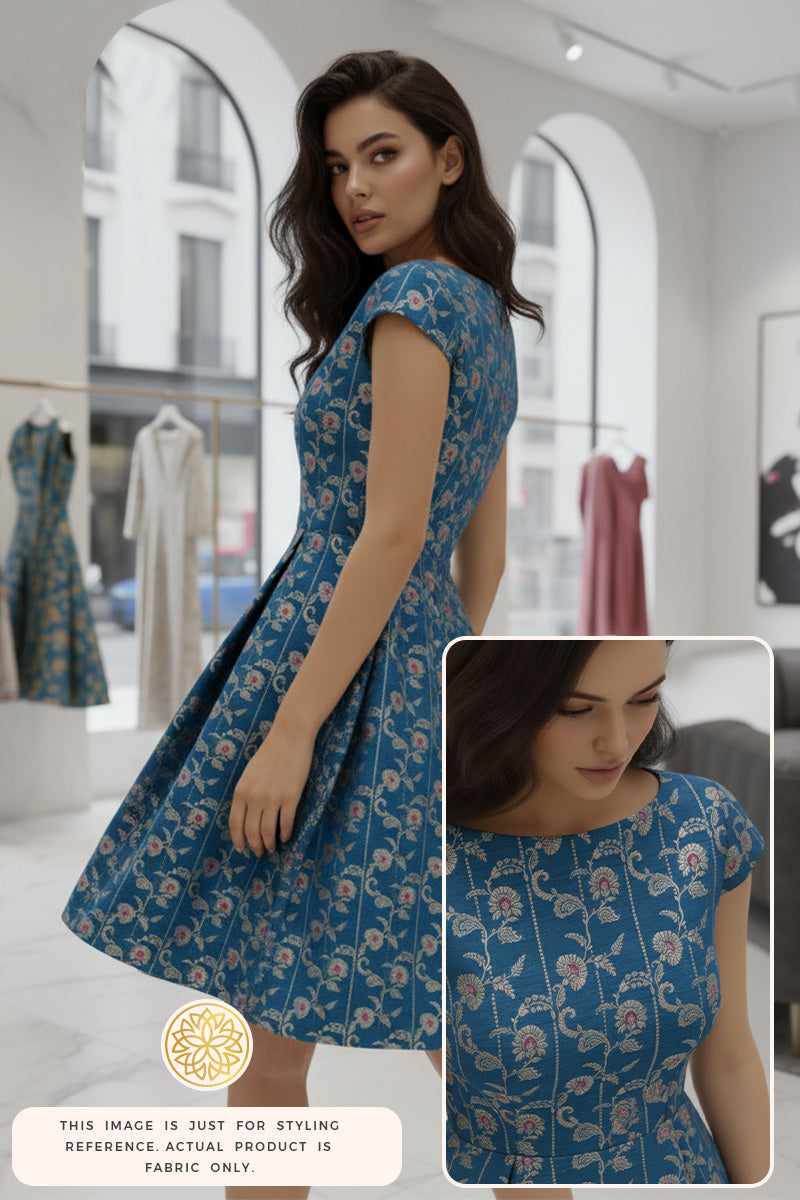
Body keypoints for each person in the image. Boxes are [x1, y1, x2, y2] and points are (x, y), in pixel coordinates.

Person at [61, 50, 542, 1200]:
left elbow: (384, 536)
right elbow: (481, 544)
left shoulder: (411, 303)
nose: (356, 190)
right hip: (410, 665)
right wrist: (431, 661)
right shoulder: (478, 312)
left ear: (449, 157)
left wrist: (292, 730)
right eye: (336, 168)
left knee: (279, 1036)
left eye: (382, 155)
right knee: (426, 1020)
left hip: (327, 666)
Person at [444, 639, 769, 1194]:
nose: (617, 742)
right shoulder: (426, 861)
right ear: (496, 697)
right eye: (576, 709)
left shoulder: (703, 823)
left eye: (644, 699)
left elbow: (730, 1059)